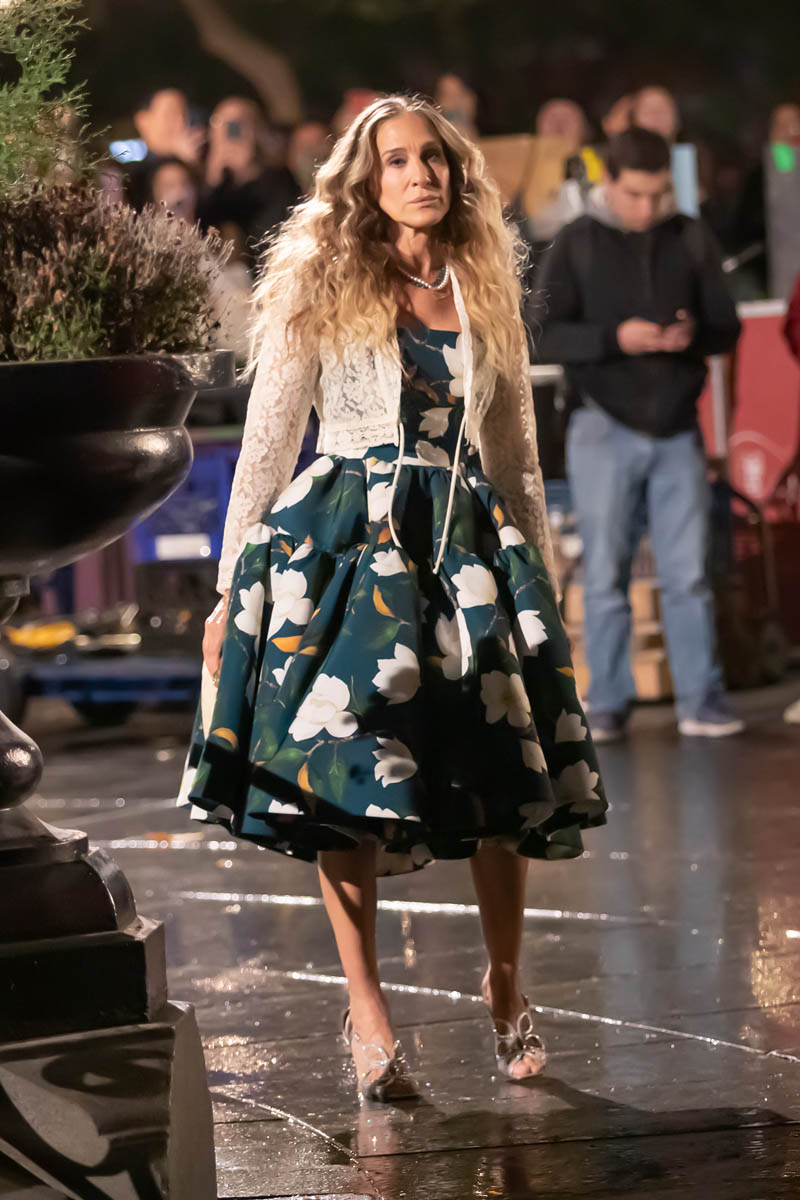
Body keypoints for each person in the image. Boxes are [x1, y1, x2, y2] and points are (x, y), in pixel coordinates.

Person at [179, 95, 607, 1101]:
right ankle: (366, 1007)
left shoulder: (481, 289)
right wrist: (229, 589)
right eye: (398, 161)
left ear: (456, 175)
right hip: (345, 547)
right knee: (347, 770)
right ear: (366, 183)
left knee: (499, 765)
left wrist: (540, 590)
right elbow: (266, 444)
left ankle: (505, 984)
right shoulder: (321, 284)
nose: (420, 174)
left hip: (464, 548)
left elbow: (516, 457)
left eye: (433, 159)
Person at [533, 126, 743, 741]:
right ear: (609, 183)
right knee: (604, 575)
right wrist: (614, 338)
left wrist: (692, 334)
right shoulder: (577, 242)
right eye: (635, 195)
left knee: (689, 575)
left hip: (677, 427)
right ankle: (606, 703)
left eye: (658, 195)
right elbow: (539, 332)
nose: (647, 208)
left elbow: (727, 326)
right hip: (601, 424)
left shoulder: (690, 236)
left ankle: (701, 700)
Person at [128, 88, 205, 210]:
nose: (180, 123)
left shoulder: (201, 161)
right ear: (142, 121)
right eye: (170, 114)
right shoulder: (131, 176)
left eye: (184, 114)